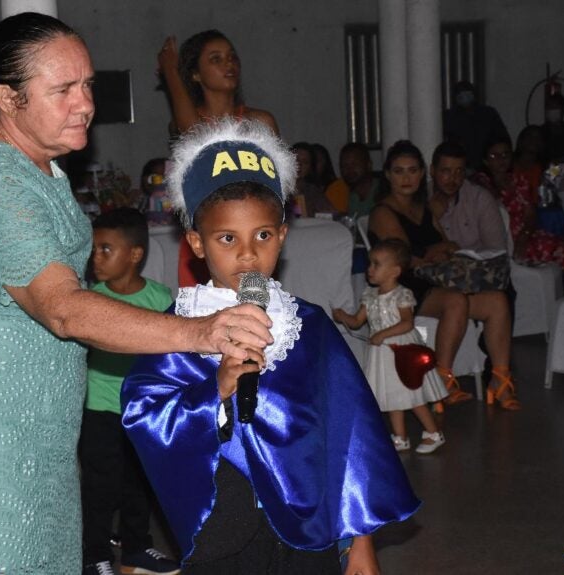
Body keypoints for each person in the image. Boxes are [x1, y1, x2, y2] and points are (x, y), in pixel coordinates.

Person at [0, 13, 273, 574]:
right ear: (6, 97)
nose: (85, 103)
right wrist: (200, 332)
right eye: (63, 90)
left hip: (23, 407)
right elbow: (63, 307)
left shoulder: (30, 154)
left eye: (87, 84)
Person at [122, 117, 419, 575]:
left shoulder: (310, 326)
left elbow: (350, 433)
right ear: (197, 243)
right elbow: (145, 412)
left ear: (282, 235)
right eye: (227, 239)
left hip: (308, 530)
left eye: (262, 235)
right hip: (222, 532)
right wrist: (215, 389)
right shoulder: (177, 327)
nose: (247, 254)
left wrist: (359, 542)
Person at [369, 140, 521, 410]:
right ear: (388, 175)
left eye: (413, 170)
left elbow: (448, 244)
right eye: (399, 171)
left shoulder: (424, 208)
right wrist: (433, 252)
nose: (407, 178)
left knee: (497, 301)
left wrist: (438, 251)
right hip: (402, 287)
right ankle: (442, 383)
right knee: (455, 301)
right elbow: (403, 259)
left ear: (422, 173)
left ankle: (500, 380)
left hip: (433, 280)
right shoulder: (383, 211)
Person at [80, 208, 179, 575]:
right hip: (100, 407)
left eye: (106, 249)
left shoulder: (159, 298)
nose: (96, 258)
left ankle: (137, 547)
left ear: (135, 254)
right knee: (100, 486)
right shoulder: (90, 299)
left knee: (141, 481)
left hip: (142, 408)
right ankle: (95, 555)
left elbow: (171, 355)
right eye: (94, 250)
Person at [158, 30, 279, 288]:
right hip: (211, 239)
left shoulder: (261, 122)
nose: (229, 64)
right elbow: (198, 138)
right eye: (216, 59)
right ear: (195, 74)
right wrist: (171, 72)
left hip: (254, 239)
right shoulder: (184, 123)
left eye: (232, 57)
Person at [333, 239, 448, 454]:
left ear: (394, 271)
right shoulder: (370, 295)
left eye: (376, 264)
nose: (370, 269)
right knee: (392, 395)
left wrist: (382, 334)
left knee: (412, 395)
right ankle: (400, 436)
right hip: (381, 354)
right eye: (370, 264)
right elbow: (358, 321)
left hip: (401, 350)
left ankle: (434, 432)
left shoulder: (401, 295)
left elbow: (407, 323)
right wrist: (343, 317)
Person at [471, 135, 564, 270]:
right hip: (498, 237)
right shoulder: (480, 182)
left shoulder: (518, 180)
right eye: (495, 156)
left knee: (561, 245)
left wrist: (524, 235)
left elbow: (530, 213)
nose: (501, 159)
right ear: (486, 160)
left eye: (506, 154)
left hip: (523, 233)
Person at [442, 80, 510, 172]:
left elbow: (502, 139)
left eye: (467, 93)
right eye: (460, 94)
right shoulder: (449, 117)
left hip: (488, 167)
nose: (464, 96)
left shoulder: (488, 114)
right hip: (460, 167)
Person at [291, 141, 334, 217]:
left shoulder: (313, 191)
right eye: (296, 159)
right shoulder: (274, 186)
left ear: (310, 169)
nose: (299, 165)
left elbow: (330, 214)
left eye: (305, 162)